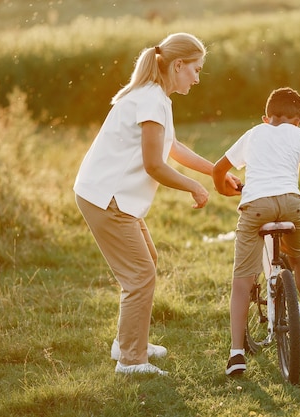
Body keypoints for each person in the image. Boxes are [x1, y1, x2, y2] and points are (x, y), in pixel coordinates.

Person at [74, 32, 238, 376]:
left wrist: (215, 172)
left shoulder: (158, 98)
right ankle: (131, 361)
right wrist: (194, 186)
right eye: (195, 69)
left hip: (111, 196)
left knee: (146, 262)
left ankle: (129, 341)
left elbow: (172, 147)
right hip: (107, 198)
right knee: (140, 274)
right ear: (177, 65)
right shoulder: (151, 100)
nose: (196, 78)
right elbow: (154, 165)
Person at [212, 87, 300, 376]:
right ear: (299, 120)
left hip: (256, 206)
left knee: (242, 279)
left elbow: (219, 170)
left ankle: (236, 354)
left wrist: (226, 192)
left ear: (266, 118)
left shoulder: (254, 132)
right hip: (292, 204)